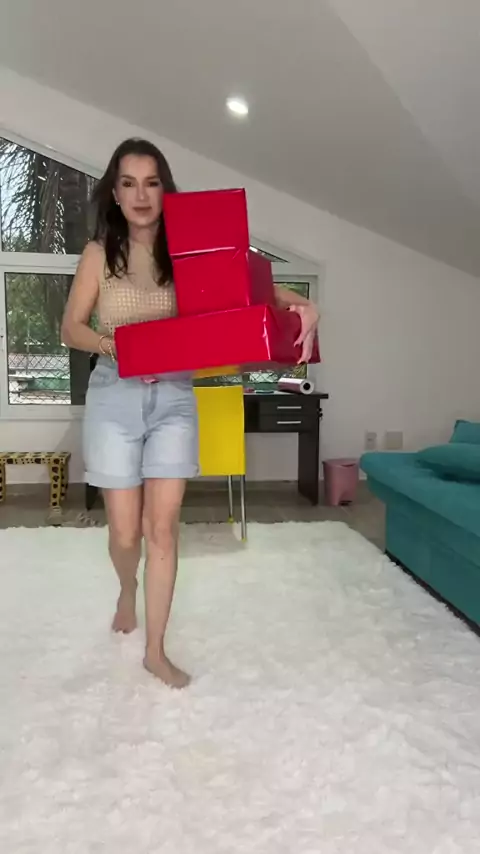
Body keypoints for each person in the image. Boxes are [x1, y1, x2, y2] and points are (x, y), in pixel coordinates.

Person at [61, 137, 319, 689]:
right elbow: (71, 328)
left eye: (151, 183)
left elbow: (252, 292)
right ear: (115, 192)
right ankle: (127, 588)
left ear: (165, 190)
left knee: (162, 529)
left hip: (175, 398)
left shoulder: (187, 254)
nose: (140, 195)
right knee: (125, 534)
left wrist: (303, 303)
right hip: (114, 395)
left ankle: (155, 651)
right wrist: (115, 346)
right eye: (128, 183)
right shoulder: (98, 254)